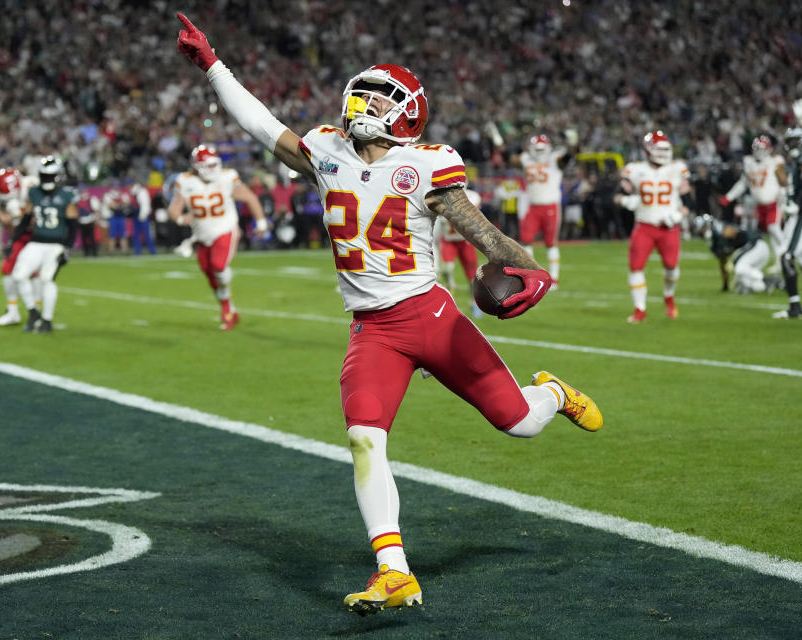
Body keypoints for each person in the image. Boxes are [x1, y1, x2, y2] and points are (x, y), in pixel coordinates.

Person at [176, 13, 603, 615]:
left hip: (431, 317)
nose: (363, 101)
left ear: (405, 111)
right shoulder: (326, 150)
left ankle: (552, 393)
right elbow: (261, 124)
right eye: (364, 90)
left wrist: (532, 269)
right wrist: (214, 66)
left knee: (519, 423)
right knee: (363, 438)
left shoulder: (427, 164)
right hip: (372, 330)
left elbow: (484, 235)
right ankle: (394, 570)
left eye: (379, 95)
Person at [167, 143, 268, 330]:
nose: (213, 169)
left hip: (225, 228)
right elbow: (174, 209)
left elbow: (250, 198)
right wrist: (181, 219)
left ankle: (227, 307)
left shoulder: (227, 177)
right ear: (196, 166)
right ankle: (228, 308)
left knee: (218, 265)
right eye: (208, 165)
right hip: (201, 234)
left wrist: (261, 222)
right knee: (209, 272)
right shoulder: (185, 181)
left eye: (215, 164)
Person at [614, 130, 694, 323]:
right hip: (644, 226)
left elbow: (689, 201)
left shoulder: (677, 169)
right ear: (648, 150)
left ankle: (669, 296)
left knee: (672, 267)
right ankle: (639, 309)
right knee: (635, 267)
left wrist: (677, 215)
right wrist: (626, 202)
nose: (664, 153)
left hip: (668, 227)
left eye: (666, 149)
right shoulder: (635, 170)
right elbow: (617, 196)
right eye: (660, 149)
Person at [11, 156, 79, 333]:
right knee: (18, 275)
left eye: (49, 177)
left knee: (46, 279)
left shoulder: (66, 195)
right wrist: (14, 240)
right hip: (36, 242)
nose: (46, 180)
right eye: (44, 176)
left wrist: (67, 248)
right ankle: (33, 312)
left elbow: (73, 225)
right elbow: (26, 218)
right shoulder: (34, 192)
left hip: (56, 244)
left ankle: (47, 320)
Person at [510, 132, 578, 290]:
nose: (539, 153)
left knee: (551, 243)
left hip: (550, 206)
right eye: (537, 149)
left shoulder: (555, 158)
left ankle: (554, 279)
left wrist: (572, 146)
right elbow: (512, 159)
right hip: (532, 205)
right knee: (526, 240)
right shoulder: (526, 158)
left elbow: (567, 159)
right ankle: (532, 273)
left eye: (542, 149)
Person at [719, 135, 789, 273]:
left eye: (762, 149)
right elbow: (743, 183)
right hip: (759, 205)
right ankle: (779, 260)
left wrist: (784, 196)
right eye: (757, 148)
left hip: (773, 202)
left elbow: (784, 181)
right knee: (768, 232)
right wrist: (729, 197)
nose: (759, 152)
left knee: (774, 229)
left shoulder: (774, 161)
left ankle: (787, 254)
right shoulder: (749, 162)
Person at [0, 168, 41, 327]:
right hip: (25, 234)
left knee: (29, 272)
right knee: (15, 270)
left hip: (35, 234)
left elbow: (21, 223)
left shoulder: (32, 188)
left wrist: (7, 217)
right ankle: (20, 311)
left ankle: (28, 311)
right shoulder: (15, 194)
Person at [693, 214, 775, 294]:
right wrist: (725, 285)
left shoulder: (724, 229)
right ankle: (774, 283)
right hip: (752, 250)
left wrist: (731, 257)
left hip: (757, 246)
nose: (702, 232)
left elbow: (737, 237)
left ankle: (767, 279)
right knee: (745, 285)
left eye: (703, 228)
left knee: (740, 268)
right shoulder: (715, 241)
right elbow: (723, 261)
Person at [435, 187, 484, 318]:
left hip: (465, 241)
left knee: (472, 277)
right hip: (448, 240)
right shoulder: (440, 197)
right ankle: (452, 286)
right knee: (447, 268)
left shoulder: (472, 197)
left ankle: (474, 302)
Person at [773, 122, 802, 319]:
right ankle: (795, 307)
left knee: (786, 256)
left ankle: (794, 307)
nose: (790, 146)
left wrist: (798, 205)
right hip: (796, 214)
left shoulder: (801, 160)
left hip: (800, 215)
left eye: (793, 142)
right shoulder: (793, 163)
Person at [130, 181, 156, 255]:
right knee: (136, 235)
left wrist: (143, 215)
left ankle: (152, 251)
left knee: (146, 234)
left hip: (142, 216)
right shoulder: (135, 192)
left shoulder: (142, 192)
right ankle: (137, 252)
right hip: (137, 215)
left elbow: (145, 205)